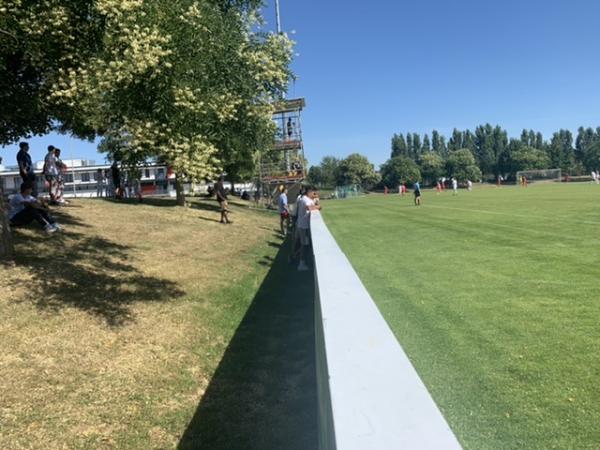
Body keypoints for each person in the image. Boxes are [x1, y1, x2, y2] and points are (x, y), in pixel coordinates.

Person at [295, 186, 321, 271]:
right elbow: (309, 208)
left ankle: (298, 258)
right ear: (309, 192)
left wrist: (316, 202)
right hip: (303, 226)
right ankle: (301, 264)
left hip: (303, 225)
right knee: (303, 244)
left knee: (305, 244)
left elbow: (312, 206)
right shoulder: (305, 199)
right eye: (314, 192)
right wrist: (318, 207)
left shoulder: (308, 199)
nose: (315, 194)